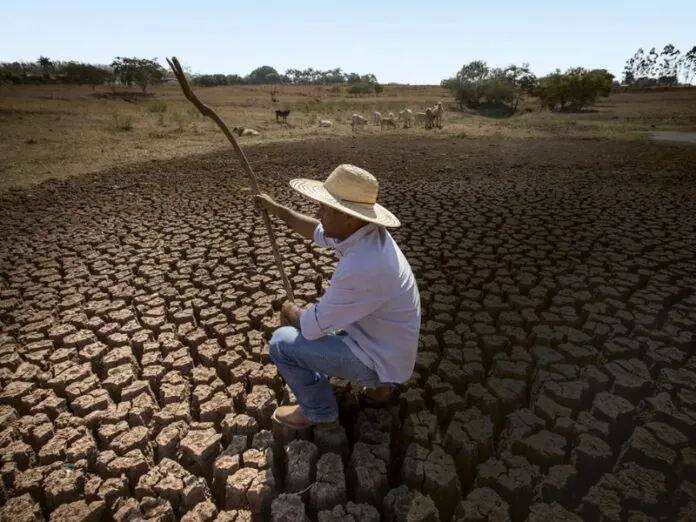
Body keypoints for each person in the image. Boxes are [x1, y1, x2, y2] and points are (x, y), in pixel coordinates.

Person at [253, 163, 421, 430]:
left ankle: (318, 410)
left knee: (282, 343)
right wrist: (277, 210)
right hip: (391, 350)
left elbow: (310, 328)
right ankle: (381, 389)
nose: (317, 212)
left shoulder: (364, 264)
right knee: (333, 321)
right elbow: (314, 230)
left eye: (325, 208)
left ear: (349, 216)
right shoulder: (365, 234)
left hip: (378, 358)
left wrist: (290, 310)